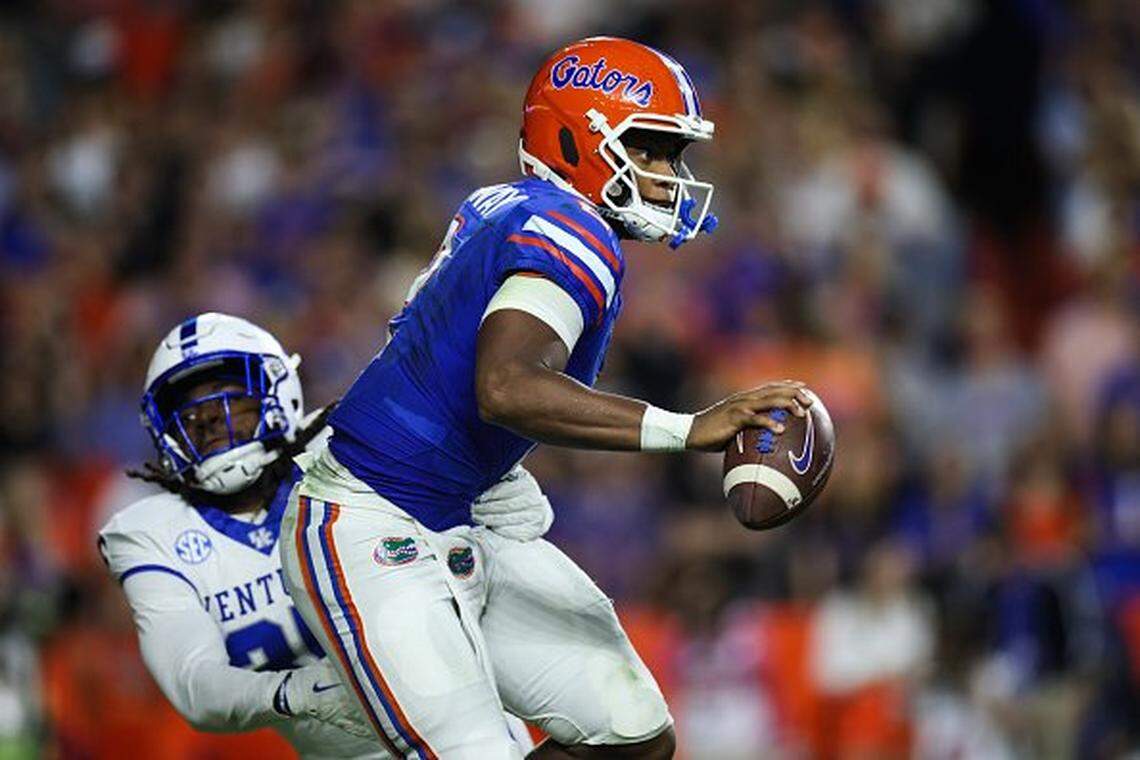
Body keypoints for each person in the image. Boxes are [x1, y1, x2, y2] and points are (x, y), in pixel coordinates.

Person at [279, 36, 811, 759]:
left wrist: (487, 470)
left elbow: (438, 356)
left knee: (629, 736)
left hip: (451, 511)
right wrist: (687, 430)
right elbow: (505, 387)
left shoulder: (505, 205)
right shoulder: (573, 226)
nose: (666, 175)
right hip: (374, 524)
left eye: (671, 155)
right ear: (572, 139)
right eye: (648, 150)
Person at [99, 312, 543, 758]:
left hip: (468, 727)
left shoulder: (343, 444)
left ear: (278, 393)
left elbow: (465, 451)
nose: (210, 423)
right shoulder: (150, 534)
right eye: (191, 416)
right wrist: (295, 692)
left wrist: (495, 483)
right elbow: (193, 684)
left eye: (229, 402)